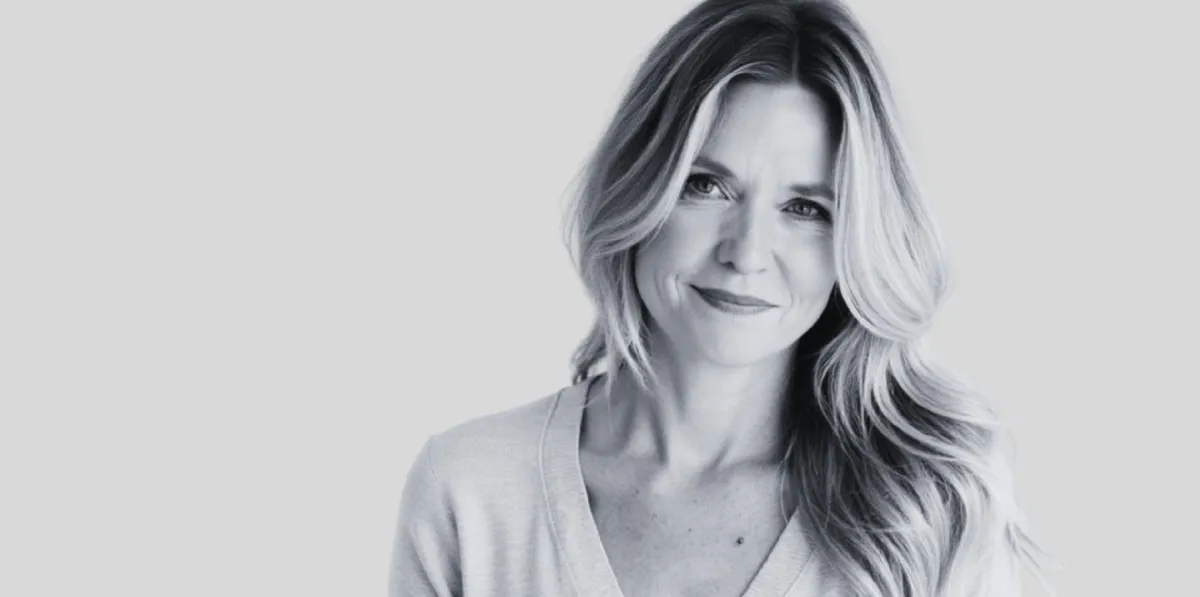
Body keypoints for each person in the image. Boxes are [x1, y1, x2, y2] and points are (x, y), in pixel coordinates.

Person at [390, 0, 1047, 595]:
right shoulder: (472, 489)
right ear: (639, 187)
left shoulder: (928, 511)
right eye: (706, 185)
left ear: (856, 241)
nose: (747, 252)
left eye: (805, 207)